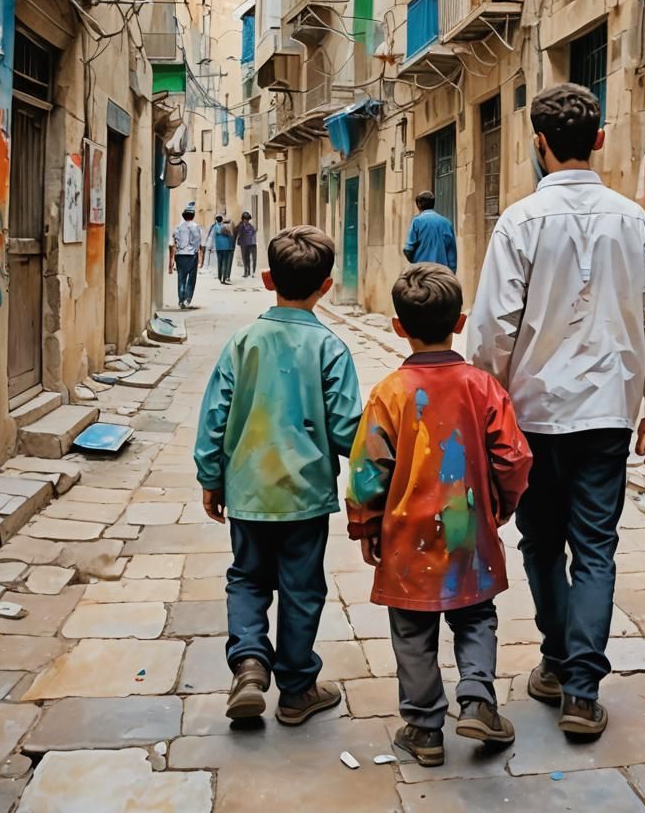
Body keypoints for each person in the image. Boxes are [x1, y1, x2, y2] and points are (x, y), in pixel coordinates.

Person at [467, 83, 645, 739]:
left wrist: (484, 408)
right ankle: (582, 691)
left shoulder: (521, 222)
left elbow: (492, 331)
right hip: (608, 414)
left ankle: (558, 661)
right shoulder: (630, 219)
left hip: (532, 414)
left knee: (539, 539)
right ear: (599, 139)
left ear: (538, 143)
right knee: (595, 546)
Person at [346, 263, 532, 767]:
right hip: (469, 531)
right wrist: (502, 505)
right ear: (461, 320)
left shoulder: (389, 392)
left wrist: (365, 524)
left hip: (405, 538)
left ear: (398, 326)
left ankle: (425, 728)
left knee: (411, 629)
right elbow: (513, 457)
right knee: (475, 616)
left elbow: (367, 471)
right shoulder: (483, 387)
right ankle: (477, 700)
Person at [194, 226, 362, 725]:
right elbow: (349, 429)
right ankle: (296, 689)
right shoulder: (330, 349)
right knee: (301, 588)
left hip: (246, 489)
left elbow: (214, 416)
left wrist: (211, 476)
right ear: (326, 286)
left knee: (247, 578)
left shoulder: (242, 343)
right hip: (305, 496)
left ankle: (248, 663)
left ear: (267, 278)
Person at [403, 191, 457, 271]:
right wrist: (450, 274)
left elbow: (408, 249)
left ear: (418, 205)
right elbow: (452, 255)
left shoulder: (417, 221)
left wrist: (416, 262)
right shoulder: (447, 223)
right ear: (433, 204)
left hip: (421, 272)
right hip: (441, 273)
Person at [168, 202, 204, 310]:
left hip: (180, 256)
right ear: (192, 216)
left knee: (181, 278)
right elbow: (197, 242)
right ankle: (187, 300)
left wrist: (171, 260)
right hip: (191, 255)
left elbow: (173, 242)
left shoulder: (178, 227)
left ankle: (181, 300)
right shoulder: (195, 227)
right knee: (191, 279)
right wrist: (199, 256)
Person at [209, 214, 236, 283]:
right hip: (226, 247)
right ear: (222, 220)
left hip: (218, 247)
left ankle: (219, 276)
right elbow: (231, 236)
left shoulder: (214, 227)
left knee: (219, 262)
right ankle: (223, 279)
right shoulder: (226, 227)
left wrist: (210, 247)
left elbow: (211, 237)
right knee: (225, 263)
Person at [236, 211, 258, 278]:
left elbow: (254, 233)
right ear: (243, 219)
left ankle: (252, 272)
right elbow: (238, 232)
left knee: (251, 258)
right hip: (244, 244)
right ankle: (246, 271)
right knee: (245, 258)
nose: (246, 220)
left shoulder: (251, 226)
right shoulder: (241, 226)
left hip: (251, 244)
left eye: (247, 219)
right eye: (245, 219)